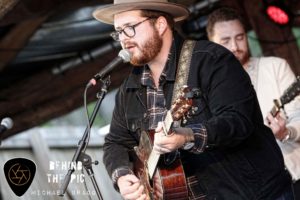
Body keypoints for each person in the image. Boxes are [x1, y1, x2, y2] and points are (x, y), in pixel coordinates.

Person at [93, 1, 293, 199]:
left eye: (130, 28)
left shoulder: (212, 60)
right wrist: (122, 175)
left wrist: (188, 136)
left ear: (160, 25)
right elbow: (115, 142)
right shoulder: (129, 89)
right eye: (118, 31)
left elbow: (237, 121)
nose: (123, 40)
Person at [207, 7, 300, 199]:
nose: (235, 46)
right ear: (212, 43)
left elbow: (299, 115)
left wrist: (286, 132)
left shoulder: (275, 67)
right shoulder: (209, 87)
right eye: (225, 41)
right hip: (252, 189)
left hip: (293, 175)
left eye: (240, 37)